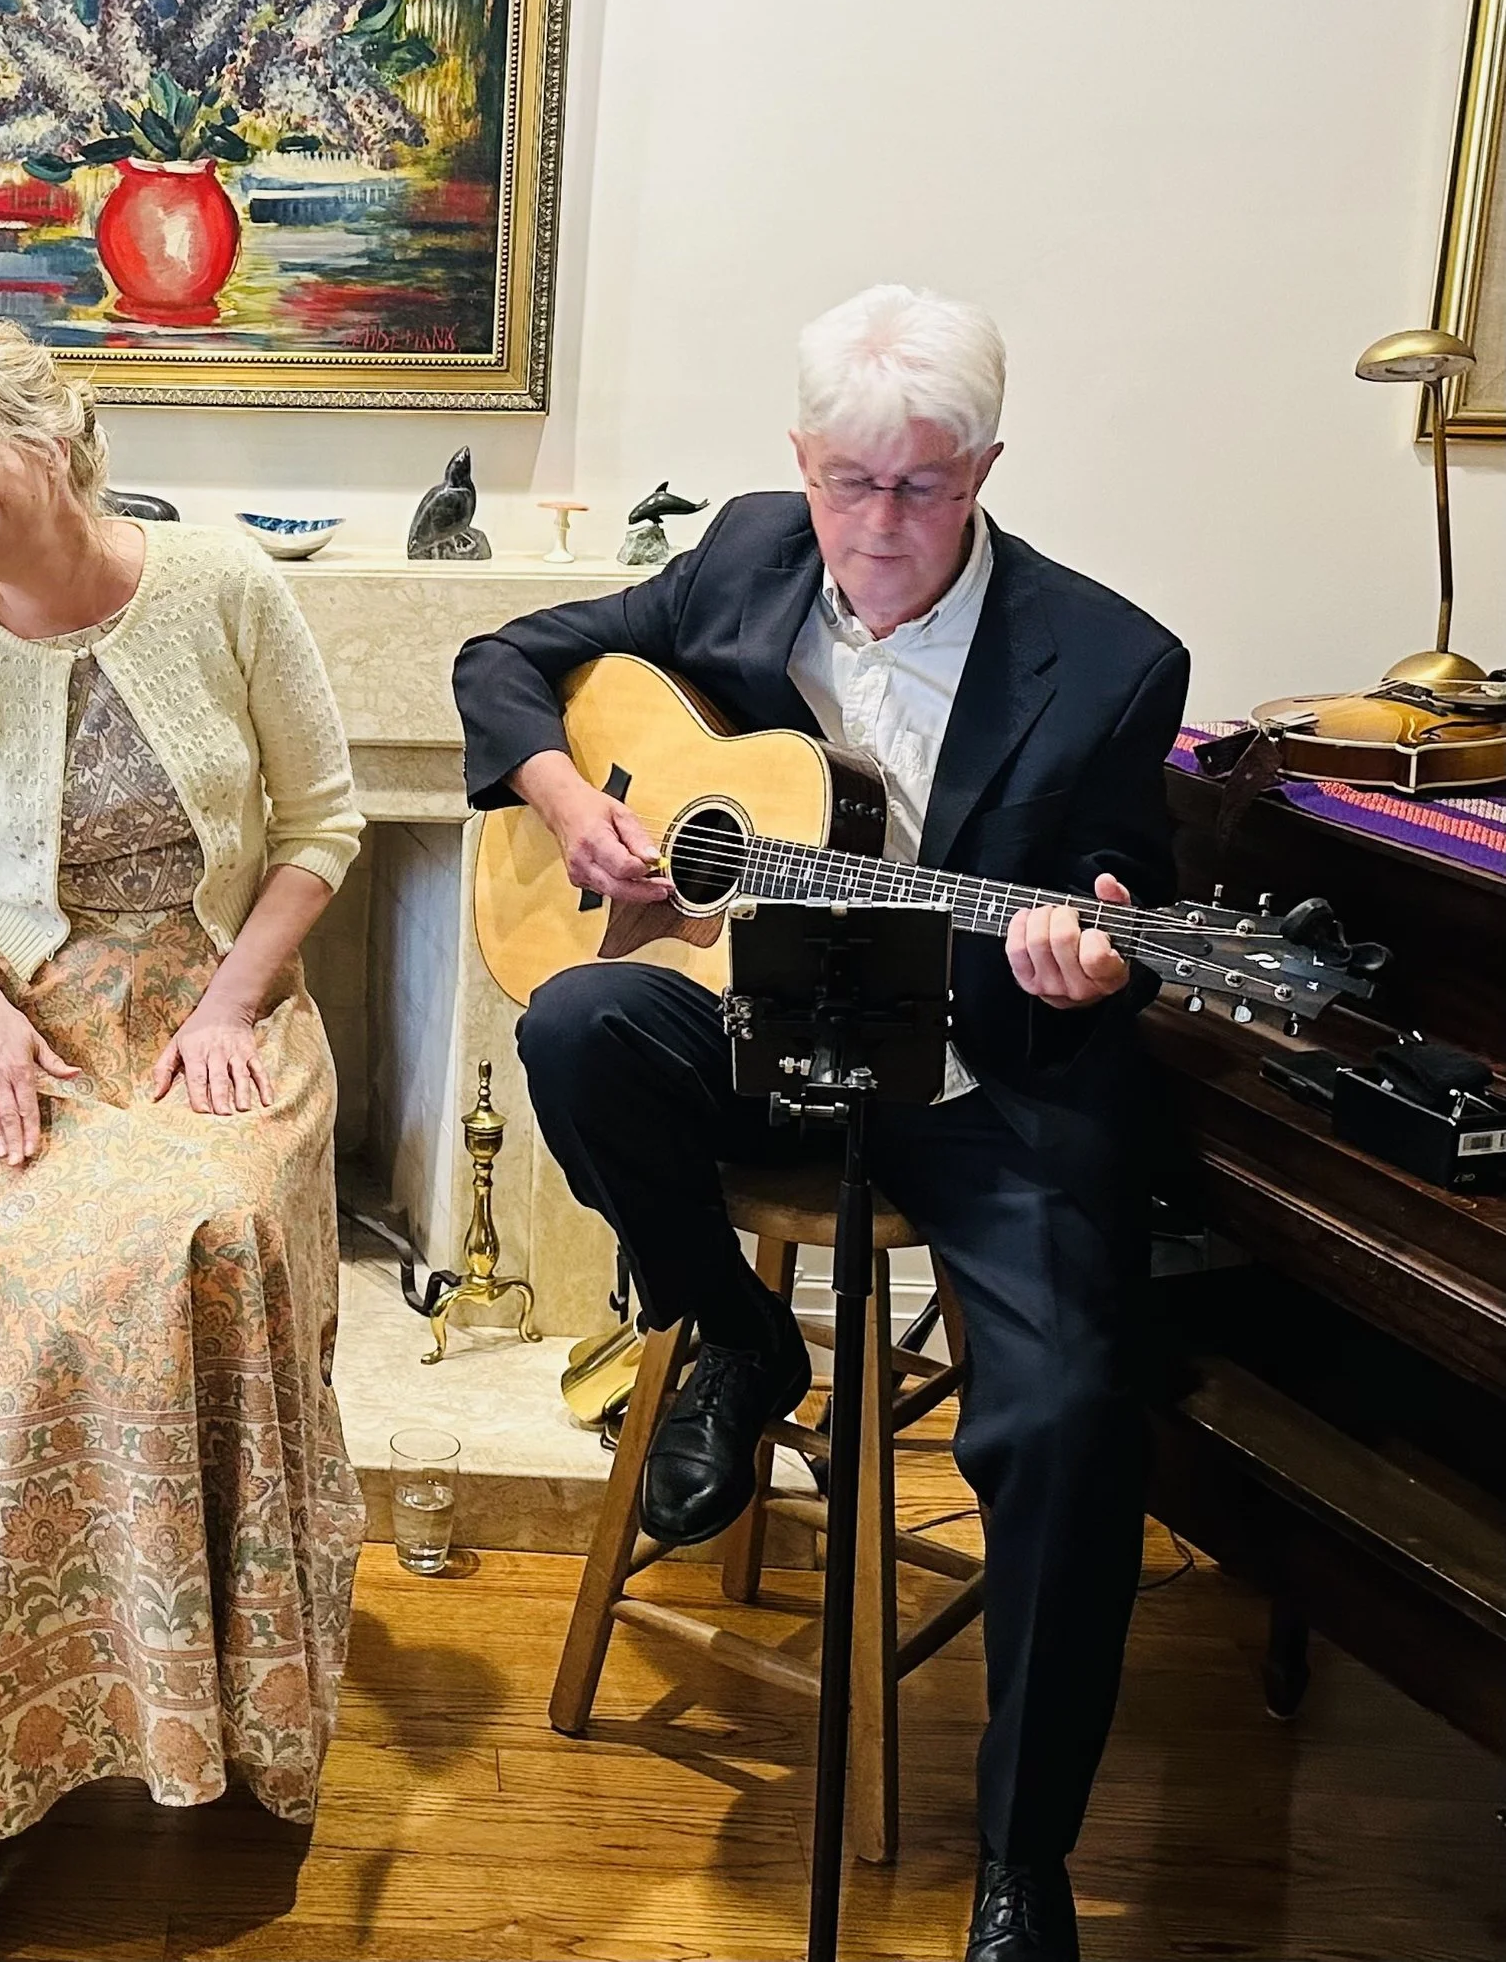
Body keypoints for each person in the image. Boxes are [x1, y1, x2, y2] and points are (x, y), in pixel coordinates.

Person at [455, 285, 1188, 1962]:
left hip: (982, 1078)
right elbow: (504, 663)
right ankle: (734, 1333)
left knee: (1073, 1419)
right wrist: (570, 802)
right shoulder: (742, 554)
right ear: (800, 460)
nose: (877, 526)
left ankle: (1021, 1857)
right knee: (577, 1019)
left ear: (988, 465)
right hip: (757, 1034)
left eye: (923, 487)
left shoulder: (1113, 659)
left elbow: (1133, 889)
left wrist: (1098, 951)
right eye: (848, 481)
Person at [0, 319, 366, 1962]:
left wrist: (228, 1004)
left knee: (197, 1237)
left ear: (53, 441)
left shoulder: (223, 590)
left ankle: (220, 1700)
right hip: (19, 1031)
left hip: (223, 1008)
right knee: (63, 1285)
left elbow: (325, 824)